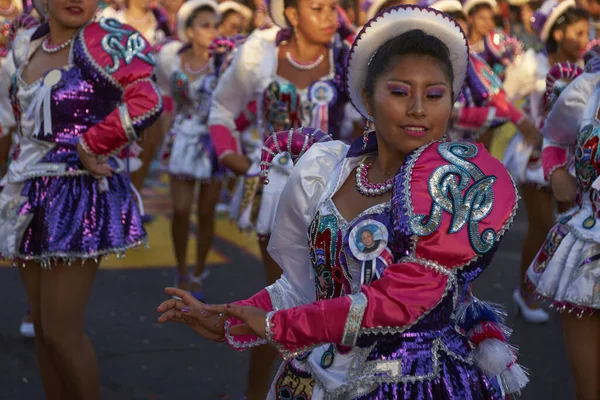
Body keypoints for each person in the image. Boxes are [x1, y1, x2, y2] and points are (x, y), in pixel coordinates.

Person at [158, 5, 528, 398]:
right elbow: (303, 285)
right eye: (400, 92)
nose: (419, 108)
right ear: (368, 100)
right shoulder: (327, 169)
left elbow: (396, 302)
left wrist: (275, 327)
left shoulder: (452, 185)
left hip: (409, 383)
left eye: (435, 95)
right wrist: (230, 318)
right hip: (313, 376)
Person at [0, 0, 162, 397]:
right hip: (27, 194)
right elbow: (11, 121)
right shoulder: (25, 45)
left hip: (77, 196)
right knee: (42, 327)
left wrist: (93, 144)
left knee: (60, 330)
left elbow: (147, 99)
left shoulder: (107, 40)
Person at [206, 0, 351, 396]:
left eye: (335, 7)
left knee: (336, 303)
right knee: (287, 299)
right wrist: (234, 159)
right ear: (290, 14)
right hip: (274, 196)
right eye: (318, 7)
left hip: (340, 198)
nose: (330, 17)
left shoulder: (350, 58)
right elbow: (221, 108)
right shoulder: (259, 52)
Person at [502, 0, 589, 324]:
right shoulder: (531, 63)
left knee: (575, 231)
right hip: (536, 158)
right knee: (540, 227)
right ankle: (524, 294)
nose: (584, 38)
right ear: (558, 31)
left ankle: (570, 292)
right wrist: (525, 124)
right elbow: (502, 98)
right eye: (577, 32)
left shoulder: (585, 67)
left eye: (587, 32)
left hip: (575, 161)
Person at [526, 51, 600, 400]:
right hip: (589, 241)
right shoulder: (588, 89)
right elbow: (553, 138)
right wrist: (556, 173)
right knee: (590, 388)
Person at [157, 0, 223, 301]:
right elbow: (167, 102)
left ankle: (199, 269)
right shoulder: (172, 60)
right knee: (181, 210)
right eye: (204, 25)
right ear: (190, 31)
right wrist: (165, 141)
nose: (212, 31)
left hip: (212, 142)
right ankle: (181, 268)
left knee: (207, 211)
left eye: (215, 25)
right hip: (182, 137)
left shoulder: (224, 62)